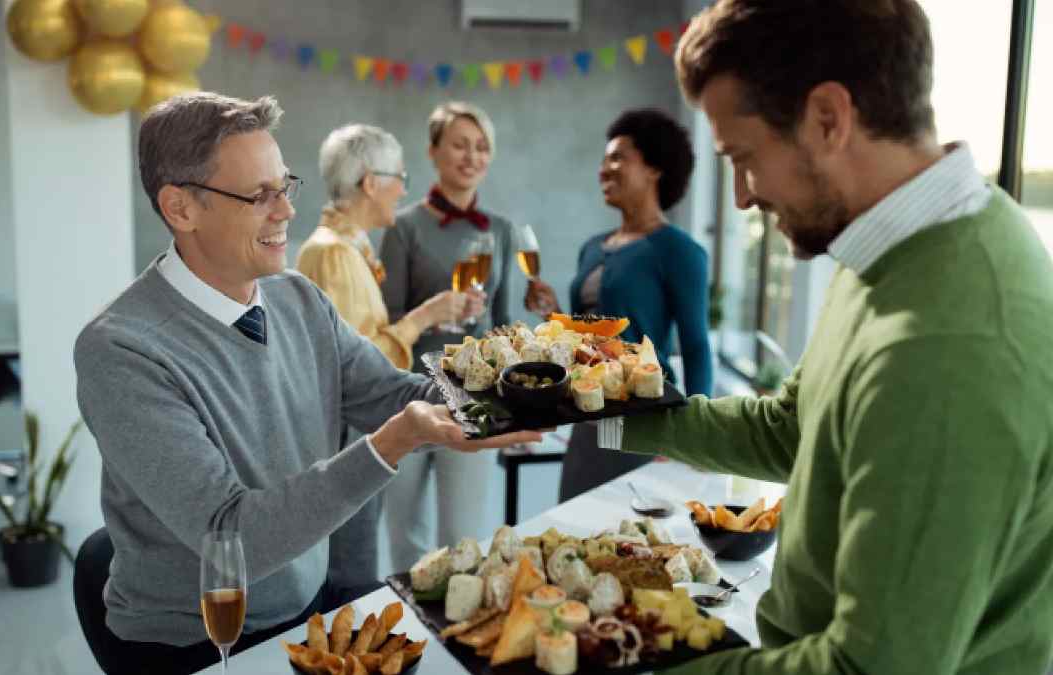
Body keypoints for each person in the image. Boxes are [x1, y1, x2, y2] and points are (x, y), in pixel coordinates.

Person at [600, 1, 1053, 673]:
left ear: (828, 119)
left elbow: (867, 668)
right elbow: (791, 427)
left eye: (744, 157)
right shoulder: (894, 247)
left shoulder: (949, 345)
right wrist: (600, 410)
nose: (743, 198)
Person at [73, 92, 538, 675]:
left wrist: (513, 398)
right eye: (257, 195)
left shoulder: (300, 300)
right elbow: (231, 538)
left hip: (304, 613)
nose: (287, 212)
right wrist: (390, 444)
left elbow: (391, 393)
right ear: (180, 208)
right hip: (192, 646)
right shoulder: (121, 348)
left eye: (283, 186)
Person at [295, 123, 484, 588]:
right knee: (350, 574)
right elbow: (353, 372)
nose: (404, 188)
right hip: (346, 441)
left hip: (346, 436)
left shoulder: (344, 250)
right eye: (399, 176)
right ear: (370, 183)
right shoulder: (335, 254)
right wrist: (423, 317)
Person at [524, 107, 713, 503]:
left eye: (618, 158)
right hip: (588, 413)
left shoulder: (679, 251)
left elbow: (696, 347)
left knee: (631, 540)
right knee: (575, 523)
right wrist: (555, 315)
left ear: (654, 169)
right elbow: (591, 334)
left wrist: (695, 438)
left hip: (646, 417)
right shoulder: (592, 248)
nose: (604, 169)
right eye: (604, 159)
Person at [379, 101, 515, 574]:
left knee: (464, 542)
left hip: (474, 401)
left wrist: (513, 409)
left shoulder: (500, 230)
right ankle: (410, 638)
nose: (471, 156)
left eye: (482, 147)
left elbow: (503, 326)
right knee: (406, 542)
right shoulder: (401, 227)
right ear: (433, 151)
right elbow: (387, 323)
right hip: (407, 398)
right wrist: (434, 314)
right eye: (459, 144)